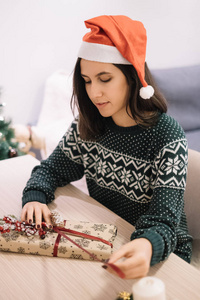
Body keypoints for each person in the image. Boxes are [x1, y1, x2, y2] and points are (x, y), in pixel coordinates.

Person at [21, 15, 192, 279]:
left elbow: (164, 221)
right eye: (87, 81)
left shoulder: (167, 135)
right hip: (108, 238)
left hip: (160, 251)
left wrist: (147, 245)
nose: (94, 93)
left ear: (132, 77)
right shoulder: (88, 125)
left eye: (105, 79)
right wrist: (35, 196)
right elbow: (52, 170)